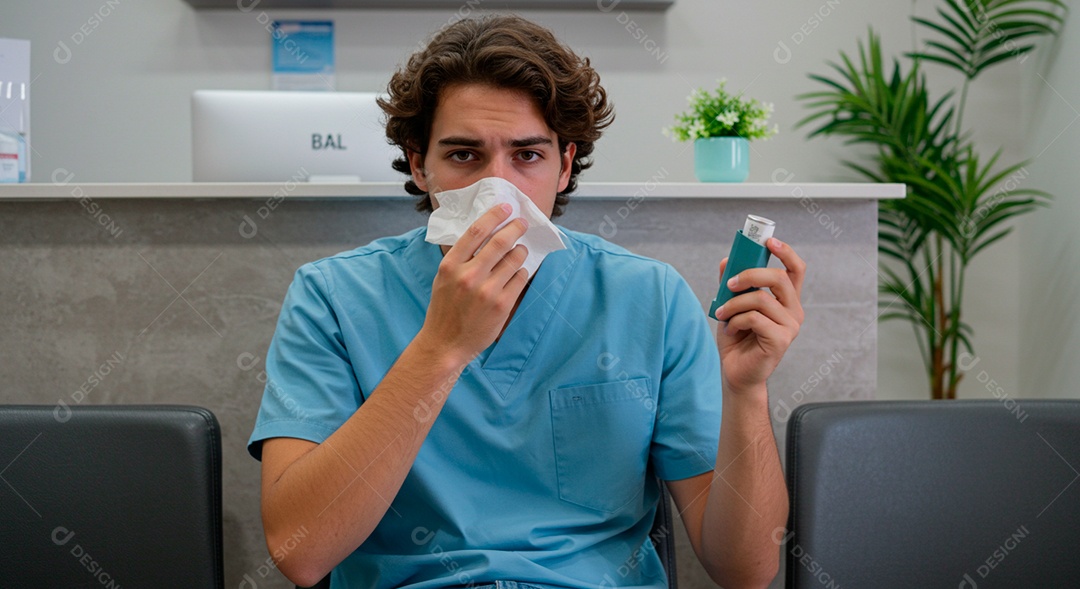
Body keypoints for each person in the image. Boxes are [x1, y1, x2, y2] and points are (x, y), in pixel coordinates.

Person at [248, 14, 805, 589]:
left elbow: (747, 572)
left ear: (565, 166)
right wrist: (441, 348)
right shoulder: (332, 297)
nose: (499, 187)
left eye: (528, 155)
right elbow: (302, 553)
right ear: (420, 165)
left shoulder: (649, 297)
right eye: (464, 155)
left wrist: (745, 391)